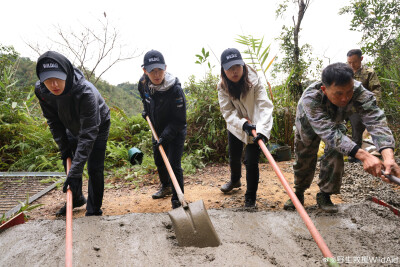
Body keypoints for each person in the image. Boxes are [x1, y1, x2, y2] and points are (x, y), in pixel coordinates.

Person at [284, 62, 400, 213]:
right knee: (304, 154)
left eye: (349, 92)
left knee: (337, 149)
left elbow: (376, 121)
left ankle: (325, 194)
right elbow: (329, 133)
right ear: (324, 90)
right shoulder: (311, 98)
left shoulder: (358, 90)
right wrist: (364, 156)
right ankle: (298, 192)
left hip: (337, 119)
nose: (345, 98)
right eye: (339, 93)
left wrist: (388, 157)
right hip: (308, 122)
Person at [35, 51, 110, 216]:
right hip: (70, 125)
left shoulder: (85, 93)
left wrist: (76, 172)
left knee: (94, 167)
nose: (54, 84)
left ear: (67, 74)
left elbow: (88, 134)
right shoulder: (42, 91)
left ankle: (93, 209)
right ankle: (76, 198)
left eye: (58, 78)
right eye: (47, 79)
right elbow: (53, 121)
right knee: (68, 158)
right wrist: (64, 148)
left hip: (97, 125)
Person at [217, 48, 274, 208]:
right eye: (229, 68)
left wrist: (261, 130)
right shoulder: (222, 87)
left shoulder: (255, 82)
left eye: (237, 66)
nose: (234, 71)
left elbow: (264, 106)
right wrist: (242, 123)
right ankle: (235, 181)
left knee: (251, 161)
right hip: (236, 125)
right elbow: (227, 112)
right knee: (234, 156)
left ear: (243, 65)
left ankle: (250, 198)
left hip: (257, 125)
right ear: (224, 70)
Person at [138, 50, 187, 209]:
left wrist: (165, 136)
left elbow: (180, 119)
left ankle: (177, 200)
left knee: (174, 164)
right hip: (157, 128)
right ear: (145, 70)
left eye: (159, 70)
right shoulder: (143, 83)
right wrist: (147, 111)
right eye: (152, 70)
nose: (157, 74)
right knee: (159, 160)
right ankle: (165, 187)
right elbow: (145, 99)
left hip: (176, 130)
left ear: (165, 68)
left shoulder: (175, 89)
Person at [347, 49, 382, 163]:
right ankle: (333, 154)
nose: (352, 65)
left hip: (361, 108)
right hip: (343, 107)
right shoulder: (345, 73)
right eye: (349, 62)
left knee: (357, 130)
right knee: (336, 127)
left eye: (355, 62)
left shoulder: (369, 73)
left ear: (361, 59)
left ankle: (355, 156)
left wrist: (371, 107)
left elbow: (376, 90)